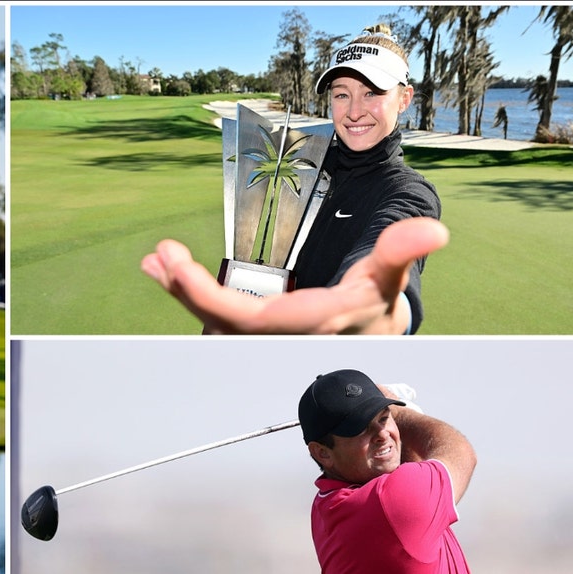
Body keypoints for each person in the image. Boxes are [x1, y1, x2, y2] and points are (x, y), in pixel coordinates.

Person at [142, 24, 444, 335]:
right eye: (342, 94)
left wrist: (370, 310)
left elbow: (381, 283)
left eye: (372, 93)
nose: (354, 111)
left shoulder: (409, 193)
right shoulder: (299, 162)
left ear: (404, 98)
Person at [298, 369, 477, 573]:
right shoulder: (387, 504)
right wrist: (402, 412)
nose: (382, 434)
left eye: (383, 418)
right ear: (322, 453)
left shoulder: (326, 503)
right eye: (361, 428)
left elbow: (409, 474)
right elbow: (460, 453)